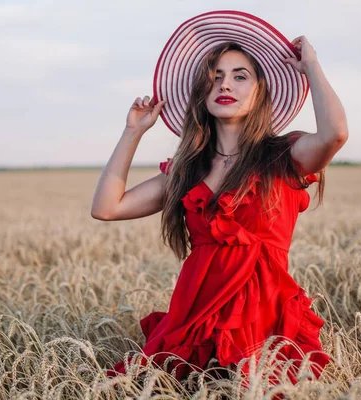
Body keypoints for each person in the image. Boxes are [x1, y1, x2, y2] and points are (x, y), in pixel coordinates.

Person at [91, 10, 347, 385]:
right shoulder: (187, 170)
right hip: (193, 318)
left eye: (239, 76)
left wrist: (311, 66)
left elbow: (335, 134)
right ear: (202, 94)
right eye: (215, 77)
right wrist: (133, 132)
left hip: (263, 319)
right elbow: (106, 208)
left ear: (259, 90)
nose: (224, 84)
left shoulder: (284, 156)